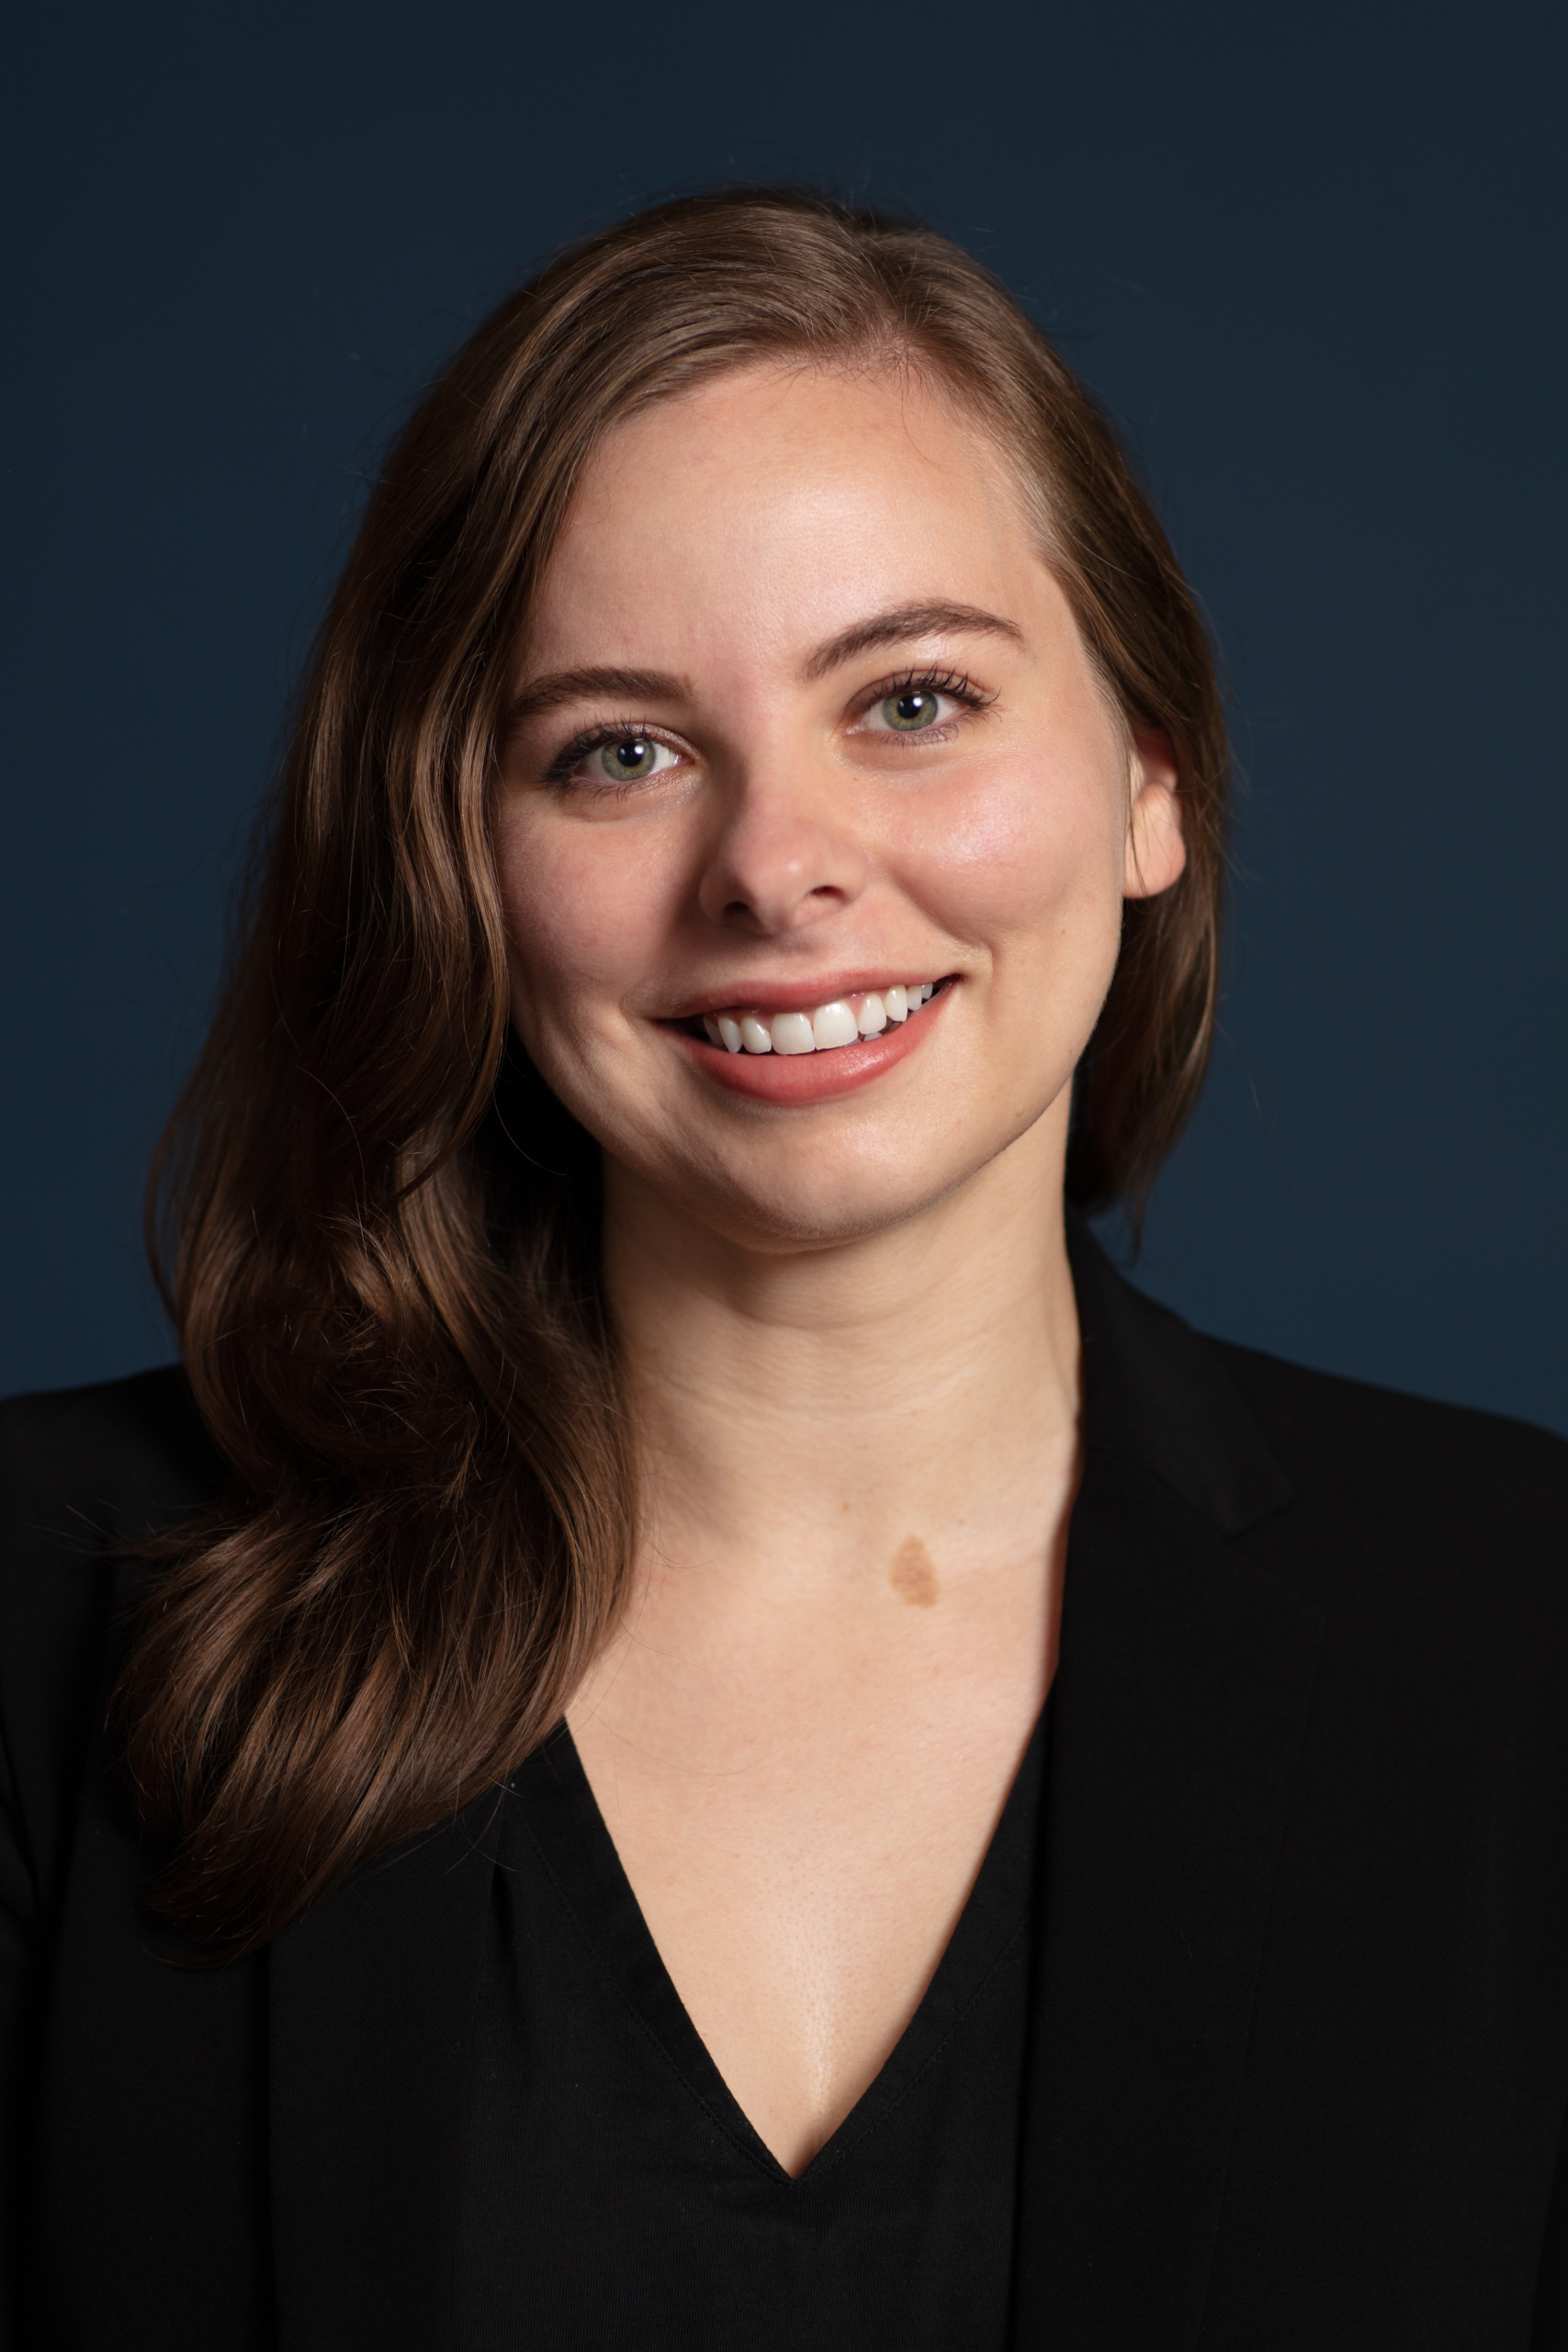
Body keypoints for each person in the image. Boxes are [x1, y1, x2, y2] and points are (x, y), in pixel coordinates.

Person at [2, 186, 1565, 2352]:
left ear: (1145, 776)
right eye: (617, 750)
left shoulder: (1519, 1644)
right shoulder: (42, 1606)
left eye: (911, 698)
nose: (775, 864)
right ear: (453, 857)